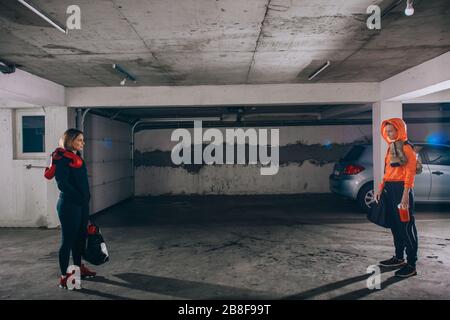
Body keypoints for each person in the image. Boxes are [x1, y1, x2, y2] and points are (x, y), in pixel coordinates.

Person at [47, 129, 96, 289]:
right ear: (70, 141)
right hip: (69, 205)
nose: (83, 143)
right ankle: (63, 277)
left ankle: (77, 268)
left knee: (80, 238)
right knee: (67, 241)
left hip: (81, 204)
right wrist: (79, 197)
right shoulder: (62, 158)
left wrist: (84, 199)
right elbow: (62, 184)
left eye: (83, 140)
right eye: (79, 140)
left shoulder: (76, 157)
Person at [374, 118, 419, 278]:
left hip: (402, 190)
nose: (389, 133)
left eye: (392, 130)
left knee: (406, 227)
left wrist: (405, 194)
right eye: (387, 131)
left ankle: (411, 264)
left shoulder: (407, 148)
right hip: (390, 189)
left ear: (399, 129)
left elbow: (410, 173)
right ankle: (399, 258)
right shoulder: (391, 147)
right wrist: (380, 188)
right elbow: (388, 172)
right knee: (395, 226)